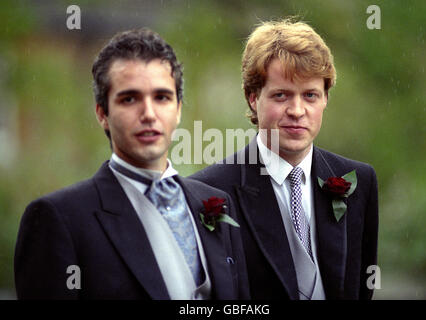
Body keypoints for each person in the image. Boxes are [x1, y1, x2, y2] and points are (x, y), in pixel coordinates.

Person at [14, 28, 249, 300]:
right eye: (129, 99)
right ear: (102, 113)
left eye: (161, 97)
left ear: (179, 109)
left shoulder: (216, 202)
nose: (148, 114)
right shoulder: (59, 219)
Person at [191, 20, 379, 300]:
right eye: (282, 95)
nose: (297, 110)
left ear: (326, 98)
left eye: (310, 95)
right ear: (253, 97)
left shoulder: (359, 181)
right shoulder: (206, 193)